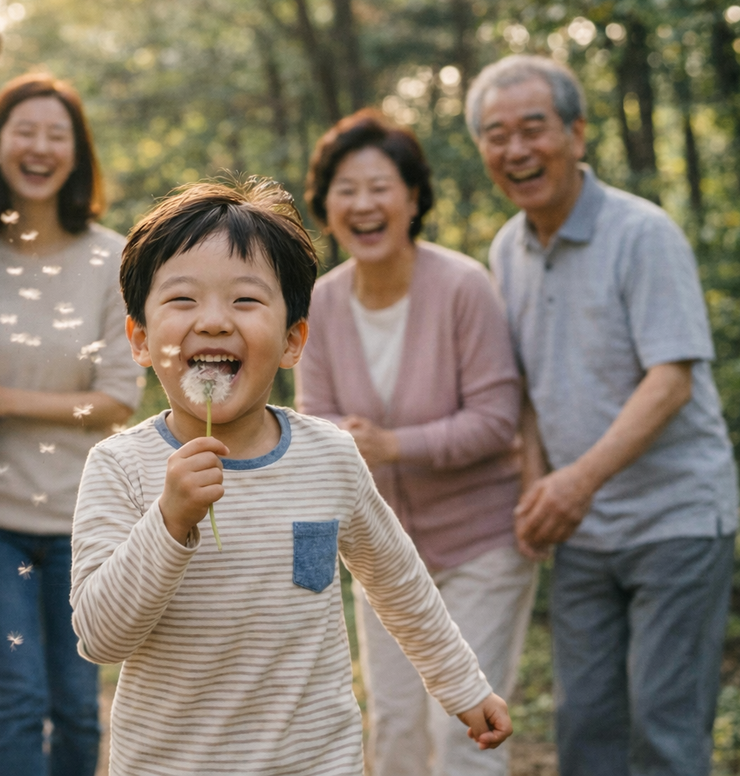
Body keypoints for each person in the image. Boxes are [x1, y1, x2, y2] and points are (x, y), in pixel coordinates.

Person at [69, 178, 512, 775]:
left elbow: (399, 584)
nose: (216, 321)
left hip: (316, 762)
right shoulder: (120, 467)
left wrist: (464, 687)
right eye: (183, 300)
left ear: (293, 341)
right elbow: (100, 637)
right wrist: (169, 522)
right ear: (141, 340)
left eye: (246, 300)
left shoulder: (331, 456)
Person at [468, 54, 739, 776]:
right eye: (496, 135)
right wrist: (537, 488)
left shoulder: (641, 233)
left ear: (578, 133)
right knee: (584, 728)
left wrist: (573, 482)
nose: (517, 149)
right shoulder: (507, 248)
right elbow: (524, 385)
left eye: (534, 127)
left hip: (676, 519)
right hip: (583, 529)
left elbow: (671, 380)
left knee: (664, 728)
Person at [295, 109, 534, 776]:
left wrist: (395, 444)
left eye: (380, 186)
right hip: (384, 556)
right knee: (395, 726)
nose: (364, 204)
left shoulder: (463, 286)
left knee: (463, 726)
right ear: (327, 205)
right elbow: (313, 432)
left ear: (413, 198)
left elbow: (497, 418)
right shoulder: (320, 304)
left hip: (479, 544)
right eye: (346, 188)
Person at [0, 74, 143, 776]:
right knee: (21, 697)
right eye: (23, 131)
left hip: (83, 519)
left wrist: (5, 400)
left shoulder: (109, 257)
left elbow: (120, 397)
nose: (40, 147)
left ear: (76, 153)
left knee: (79, 706)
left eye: (57, 134)